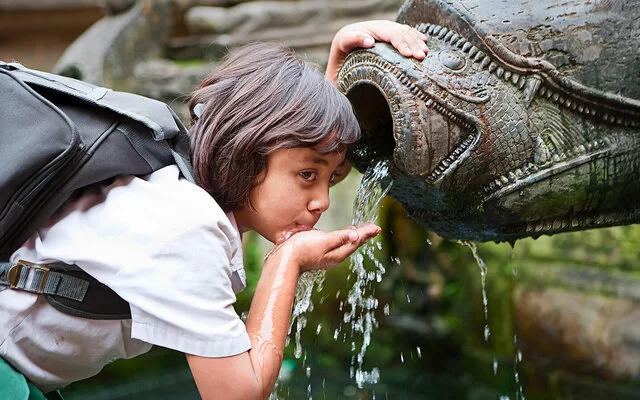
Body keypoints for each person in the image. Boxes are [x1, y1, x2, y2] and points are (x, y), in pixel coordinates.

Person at [0, 20, 428, 399]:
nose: (322, 201)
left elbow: (294, 149)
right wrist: (288, 261)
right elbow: (238, 393)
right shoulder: (189, 227)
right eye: (308, 177)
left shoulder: (180, 184)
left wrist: (337, 64)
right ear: (245, 154)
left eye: (329, 178)